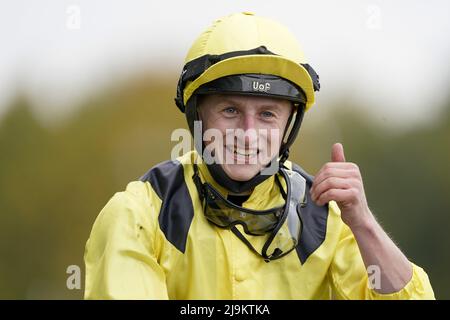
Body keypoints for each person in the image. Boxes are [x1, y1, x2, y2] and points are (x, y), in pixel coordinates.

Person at [84, 12, 434, 299]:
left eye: (267, 114)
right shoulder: (137, 215)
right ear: (198, 115)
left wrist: (362, 222)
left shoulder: (326, 219)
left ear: (287, 126)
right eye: (231, 110)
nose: (248, 134)